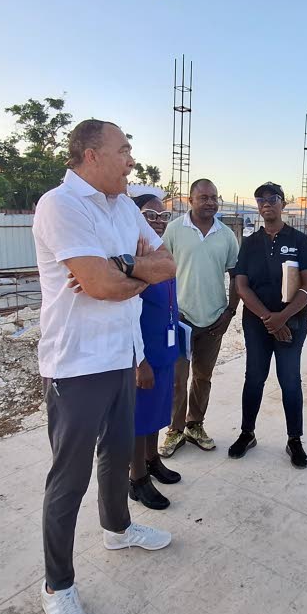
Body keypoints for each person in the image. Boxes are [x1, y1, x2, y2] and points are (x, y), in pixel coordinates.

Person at [33, 119, 178, 614]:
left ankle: (118, 529)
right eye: (124, 150)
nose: (131, 161)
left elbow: (167, 264)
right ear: (91, 155)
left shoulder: (124, 206)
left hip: (121, 354)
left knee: (118, 456)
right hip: (77, 364)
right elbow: (101, 287)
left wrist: (120, 266)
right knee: (68, 480)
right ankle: (57, 586)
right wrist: (125, 273)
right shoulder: (61, 205)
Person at [229, 182, 307, 468]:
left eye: (272, 198)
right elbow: (241, 285)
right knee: (254, 377)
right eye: (261, 200)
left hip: (292, 321)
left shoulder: (299, 240)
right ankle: (247, 433)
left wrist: (283, 317)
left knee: (289, 379)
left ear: (283, 203)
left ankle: (294, 439)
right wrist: (269, 319)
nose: (266, 203)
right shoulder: (250, 243)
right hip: (257, 323)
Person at [158, 178, 240, 458]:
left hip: (214, 320)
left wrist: (230, 311)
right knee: (177, 379)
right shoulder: (174, 230)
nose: (210, 202)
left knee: (203, 377)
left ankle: (195, 425)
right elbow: (162, 271)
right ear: (190, 200)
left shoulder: (226, 235)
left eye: (214, 197)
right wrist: (168, 310)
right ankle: (175, 429)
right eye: (204, 197)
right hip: (180, 319)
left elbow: (236, 276)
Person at [128, 190, 183, 509]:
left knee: (157, 413)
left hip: (165, 349)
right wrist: (140, 362)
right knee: (140, 418)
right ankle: (136, 478)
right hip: (144, 354)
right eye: (150, 215)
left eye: (163, 216)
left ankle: (152, 461)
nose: (158, 221)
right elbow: (128, 313)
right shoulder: (134, 257)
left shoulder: (160, 253)